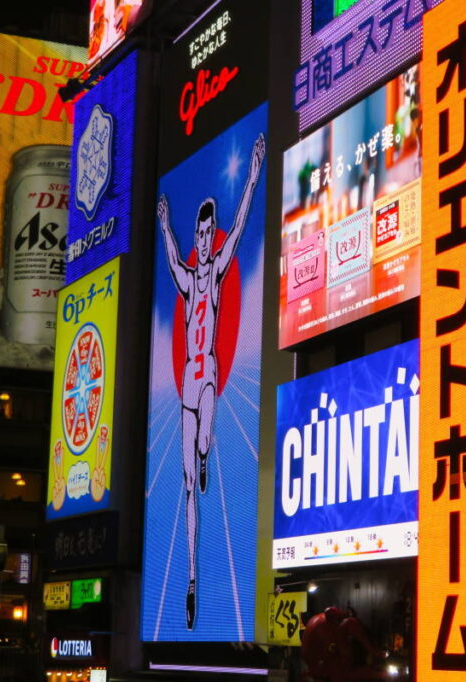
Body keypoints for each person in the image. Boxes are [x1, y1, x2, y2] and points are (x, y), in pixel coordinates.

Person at [156, 133, 265, 630]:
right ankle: (195, 580)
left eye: (207, 235)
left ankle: (205, 451)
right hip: (186, 380)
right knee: (184, 488)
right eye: (199, 236)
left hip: (208, 374)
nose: (203, 242)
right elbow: (172, 256)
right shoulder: (187, 275)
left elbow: (241, 224)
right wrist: (162, 224)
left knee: (202, 438)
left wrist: (256, 170)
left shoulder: (217, 271)